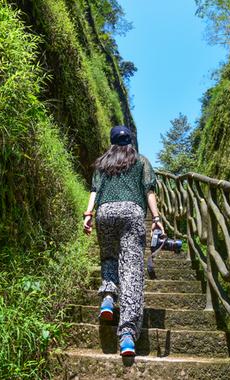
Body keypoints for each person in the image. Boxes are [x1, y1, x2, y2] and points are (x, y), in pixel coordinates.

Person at [82, 125, 165, 357]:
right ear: (130, 141)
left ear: (111, 142)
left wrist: (88, 215)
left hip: (105, 213)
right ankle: (127, 335)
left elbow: (94, 191)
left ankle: (108, 298)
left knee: (109, 255)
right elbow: (149, 191)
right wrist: (156, 218)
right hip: (132, 214)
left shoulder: (103, 163)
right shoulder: (141, 161)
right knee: (131, 270)